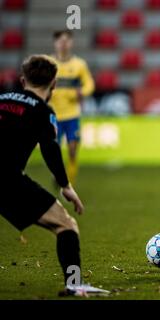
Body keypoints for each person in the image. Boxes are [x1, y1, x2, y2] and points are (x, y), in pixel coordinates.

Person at [0, 55, 107, 296]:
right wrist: (65, 184)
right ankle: (75, 284)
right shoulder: (42, 111)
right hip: (7, 180)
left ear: (22, 80)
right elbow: (49, 148)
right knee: (65, 225)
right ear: (54, 84)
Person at [49, 30, 95, 185]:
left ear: (71, 43)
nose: (63, 44)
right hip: (53, 115)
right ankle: (58, 175)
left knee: (73, 150)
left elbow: (89, 84)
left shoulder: (79, 65)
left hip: (72, 115)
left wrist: (81, 92)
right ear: (55, 43)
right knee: (53, 151)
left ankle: (69, 183)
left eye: (66, 41)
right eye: (60, 41)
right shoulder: (48, 63)